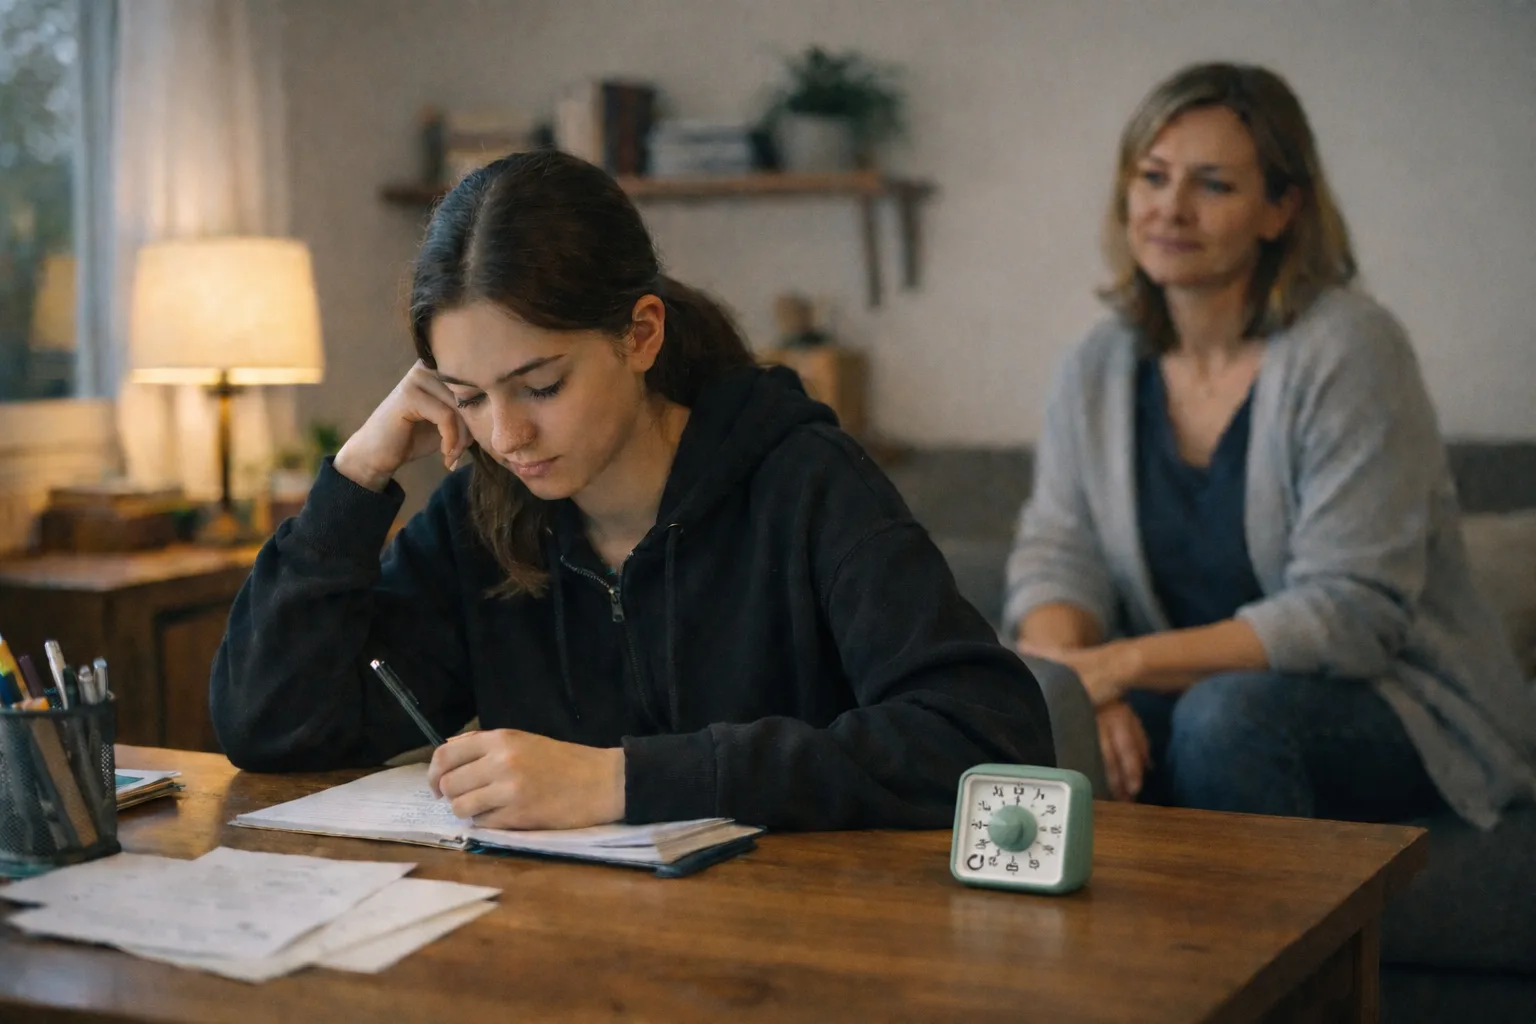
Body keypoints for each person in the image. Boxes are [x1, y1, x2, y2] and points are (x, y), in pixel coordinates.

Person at [211, 150, 1053, 832]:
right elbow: (273, 731)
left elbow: (987, 739)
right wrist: (355, 478)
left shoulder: (806, 482)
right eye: (467, 395)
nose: (505, 438)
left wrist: (623, 782)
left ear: (640, 334)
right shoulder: (480, 515)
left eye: (540, 385)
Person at [1005, 62, 1536, 828]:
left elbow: (1350, 615)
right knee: (1038, 715)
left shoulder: (1350, 350)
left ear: (1281, 209)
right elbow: (1057, 556)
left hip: (1396, 704)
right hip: (1188, 695)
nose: (1171, 209)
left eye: (1213, 185)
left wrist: (1122, 664)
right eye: (1152, 177)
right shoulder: (1097, 365)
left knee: (1228, 719)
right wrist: (1081, 688)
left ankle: (1273, 954)